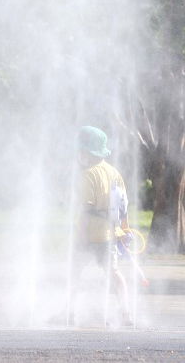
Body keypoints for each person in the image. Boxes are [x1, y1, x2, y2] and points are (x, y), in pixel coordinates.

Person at [69, 125, 133, 327]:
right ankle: (126, 313)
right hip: (110, 235)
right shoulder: (115, 173)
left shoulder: (87, 175)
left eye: (80, 151)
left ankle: (69, 312)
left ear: (87, 152)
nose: (79, 155)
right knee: (113, 273)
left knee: (75, 272)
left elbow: (85, 210)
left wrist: (80, 236)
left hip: (89, 235)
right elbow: (123, 207)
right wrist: (125, 230)